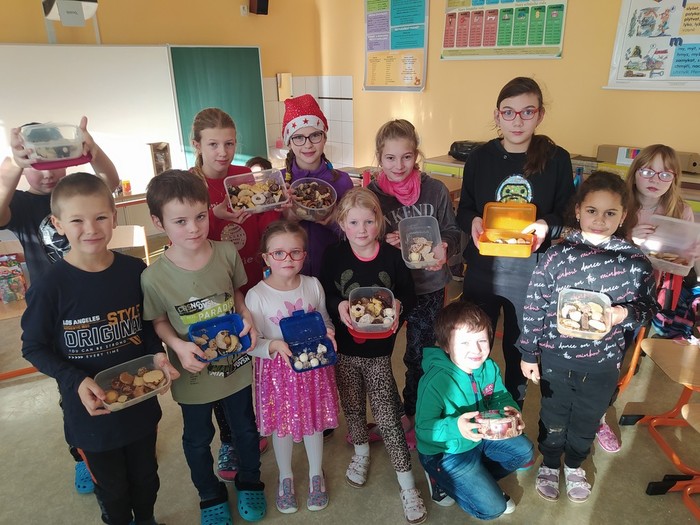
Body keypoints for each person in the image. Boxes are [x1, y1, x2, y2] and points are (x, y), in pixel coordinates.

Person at [21, 172, 179, 525]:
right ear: (58, 224)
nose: (90, 229)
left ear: (114, 217)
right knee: (112, 490)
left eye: (100, 217)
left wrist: (158, 355)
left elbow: (147, 326)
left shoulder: (134, 271)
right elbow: (33, 347)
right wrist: (75, 380)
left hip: (140, 408)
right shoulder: (49, 286)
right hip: (89, 415)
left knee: (146, 478)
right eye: (77, 220)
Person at [519, 171, 657, 503]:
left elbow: (649, 307)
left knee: (587, 418)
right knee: (553, 415)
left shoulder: (635, 262)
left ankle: (574, 465)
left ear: (623, 216)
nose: (599, 220)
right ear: (578, 210)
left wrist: (623, 314)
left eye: (610, 213)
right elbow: (535, 304)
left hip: (603, 362)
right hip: (556, 356)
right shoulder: (556, 256)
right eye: (592, 210)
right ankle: (550, 463)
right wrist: (528, 352)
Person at [1, 117, 120, 495]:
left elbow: (110, 181)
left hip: (98, 300)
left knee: (111, 372)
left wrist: (93, 151)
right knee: (71, 389)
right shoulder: (20, 203)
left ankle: (120, 440)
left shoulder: (79, 192)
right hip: (57, 313)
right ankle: (81, 453)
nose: (47, 173)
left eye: (53, 162)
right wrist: (14, 164)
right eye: (36, 165)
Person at [141, 170, 267, 525]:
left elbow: (236, 294)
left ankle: (250, 481)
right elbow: (158, 321)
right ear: (158, 222)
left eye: (199, 216)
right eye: (180, 221)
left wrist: (246, 316)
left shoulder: (226, 252)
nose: (194, 228)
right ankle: (209, 493)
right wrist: (178, 347)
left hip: (235, 367)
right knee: (197, 440)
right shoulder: (153, 277)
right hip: (193, 374)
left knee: (245, 429)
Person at [456, 77, 575, 408]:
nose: (517, 121)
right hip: (484, 268)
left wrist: (546, 225)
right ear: (497, 115)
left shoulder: (556, 159)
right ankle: (472, 410)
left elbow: (567, 212)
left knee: (519, 349)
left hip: (531, 273)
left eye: (527, 112)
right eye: (508, 112)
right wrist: (473, 221)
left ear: (540, 115)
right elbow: (464, 210)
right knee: (472, 344)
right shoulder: (480, 158)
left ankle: (511, 413)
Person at [319, 187, 427, 525]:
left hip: (379, 351)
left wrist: (399, 305)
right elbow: (325, 292)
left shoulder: (392, 257)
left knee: (387, 414)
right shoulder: (334, 254)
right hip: (344, 350)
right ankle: (362, 452)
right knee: (352, 406)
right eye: (353, 222)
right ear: (342, 223)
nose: (362, 229)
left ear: (379, 221)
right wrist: (338, 305)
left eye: (368, 221)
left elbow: (408, 293)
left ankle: (407, 484)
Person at [189, 107, 275, 481]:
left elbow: (266, 223)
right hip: (215, 291)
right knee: (226, 365)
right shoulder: (189, 186)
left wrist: (280, 207)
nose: (222, 152)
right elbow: (183, 232)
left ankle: (264, 419)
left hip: (254, 283)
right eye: (213, 144)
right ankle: (229, 438)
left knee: (257, 358)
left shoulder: (243, 179)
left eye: (229, 143)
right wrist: (215, 214)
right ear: (197, 145)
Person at [367, 119, 462, 448]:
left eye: (406, 157)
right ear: (379, 157)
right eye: (390, 158)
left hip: (429, 285)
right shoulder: (372, 196)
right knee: (378, 358)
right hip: (388, 288)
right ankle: (391, 415)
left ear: (416, 155)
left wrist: (445, 246)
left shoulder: (435, 190)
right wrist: (381, 241)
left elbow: (453, 231)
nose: (399, 165)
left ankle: (413, 412)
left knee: (420, 355)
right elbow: (360, 236)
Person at [595, 144, 695, 453]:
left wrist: (690, 252)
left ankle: (601, 409)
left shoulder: (681, 211)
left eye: (665, 174)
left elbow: (685, 257)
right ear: (635, 171)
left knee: (625, 355)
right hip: (612, 290)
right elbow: (596, 247)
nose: (654, 179)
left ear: (674, 178)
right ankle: (592, 411)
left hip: (649, 295)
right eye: (648, 171)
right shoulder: (618, 203)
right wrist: (632, 238)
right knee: (601, 351)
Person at [244, 220, 339, 514]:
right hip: (277, 375)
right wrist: (273, 345)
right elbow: (252, 344)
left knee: (313, 422)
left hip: (313, 371)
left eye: (295, 252)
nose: (288, 259)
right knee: (282, 427)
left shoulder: (313, 285)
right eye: (279, 253)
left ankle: (315, 473)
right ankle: (285, 476)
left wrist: (329, 332)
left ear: (304, 255)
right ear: (266, 257)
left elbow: (324, 319)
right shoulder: (256, 295)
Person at [415, 301, 533, 519]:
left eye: (482, 340)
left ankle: (479, 480)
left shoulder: (489, 367)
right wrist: (456, 427)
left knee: (524, 451)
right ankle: (441, 480)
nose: (476, 350)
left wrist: (510, 412)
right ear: (446, 346)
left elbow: (499, 395)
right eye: (465, 343)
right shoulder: (435, 381)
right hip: (446, 451)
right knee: (493, 509)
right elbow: (423, 429)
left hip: (480, 437)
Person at [282, 94, 354, 277]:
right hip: (291, 276)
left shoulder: (342, 181)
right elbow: (266, 236)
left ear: (324, 138)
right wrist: (288, 218)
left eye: (315, 135)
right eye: (298, 137)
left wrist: (334, 221)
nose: (308, 145)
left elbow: (355, 234)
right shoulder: (279, 182)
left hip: (334, 273)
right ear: (289, 142)